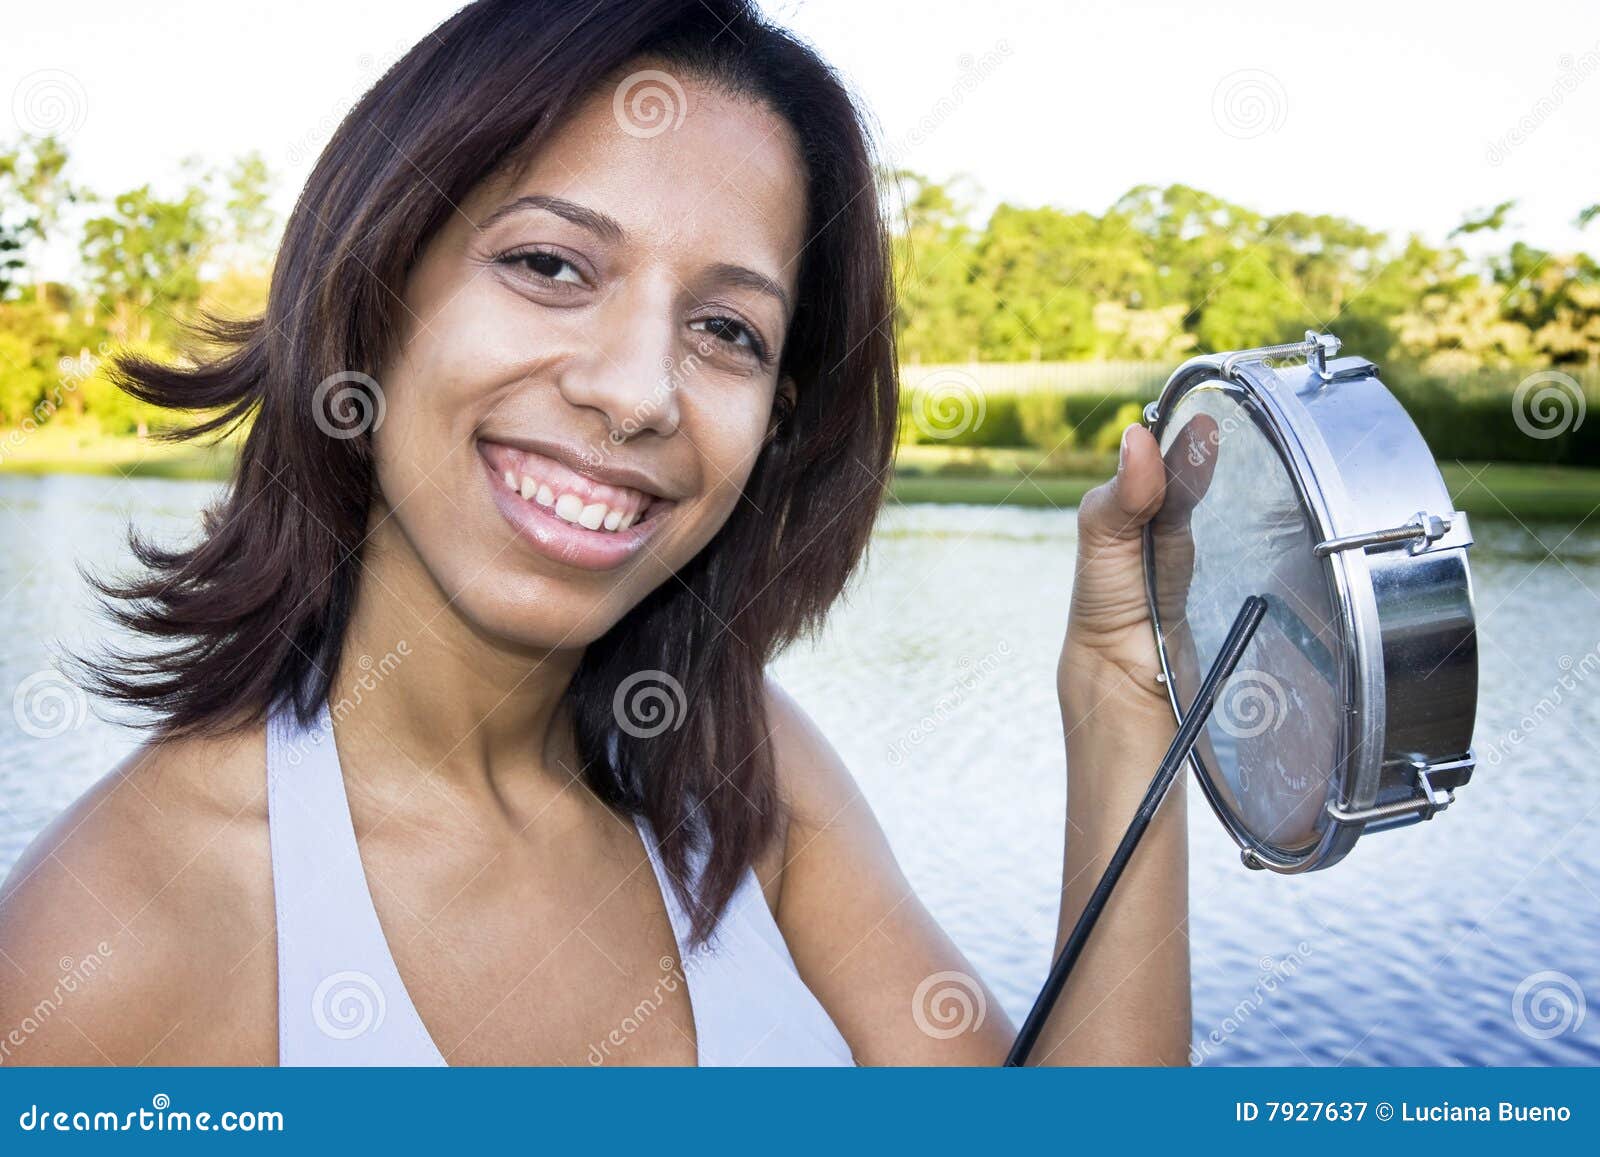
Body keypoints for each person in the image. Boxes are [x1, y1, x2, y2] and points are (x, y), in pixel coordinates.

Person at [0, 0, 1186, 1066]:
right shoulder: (111, 939)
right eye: (551, 263)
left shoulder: (740, 771)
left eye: (726, 330)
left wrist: (1122, 699)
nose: (636, 391)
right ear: (375, 291)